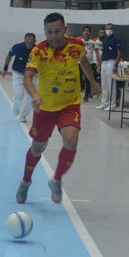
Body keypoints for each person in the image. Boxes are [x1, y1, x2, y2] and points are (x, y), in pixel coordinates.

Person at [15, 12, 101, 204]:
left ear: (65, 30)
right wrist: (35, 95)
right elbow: (27, 77)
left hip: (69, 105)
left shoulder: (76, 45)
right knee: (37, 148)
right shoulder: (38, 51)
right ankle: (25, 181)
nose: (53, 36)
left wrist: (93, 83)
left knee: (71, 140)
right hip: (44, 108)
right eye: (48, 32)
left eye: (57, 31)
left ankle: (57, 180)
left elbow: (83, 61)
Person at [2, 33, 37, 122]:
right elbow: (9, 56)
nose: (29, 44)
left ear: (34, 42)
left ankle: (23, 116)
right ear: (24, 40)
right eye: (27, 42)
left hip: (31, 76)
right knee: (19, 95)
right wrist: (5, 68)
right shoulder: (18, 47)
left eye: (31, 43)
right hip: (18, 74)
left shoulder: (37, 50)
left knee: (32, 98)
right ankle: (16, 101)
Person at [96, 23, 121, 111]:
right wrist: (99, 64)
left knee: (111, 84)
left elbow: (119, 52)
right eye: (107, 28)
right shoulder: (105, 40)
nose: (108, 30)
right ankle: (104, 103)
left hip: (111, 61)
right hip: (104, 62)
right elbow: (102, 52)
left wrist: (116, 64)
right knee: (104, 83)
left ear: (113, 29)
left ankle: (112, 104)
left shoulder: (116, 39)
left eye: (110, 28)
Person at [80, 26, 100, 101]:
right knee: (79, 79)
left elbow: (97, 52)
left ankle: (86, 95)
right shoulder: (79, 41)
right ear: (83, 32)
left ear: (90, 32)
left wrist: (98, 62)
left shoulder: (93, 42)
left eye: (88, 31)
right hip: (80, 62)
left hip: (90, 62)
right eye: (85, 30)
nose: (86, 32)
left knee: (89, 79)